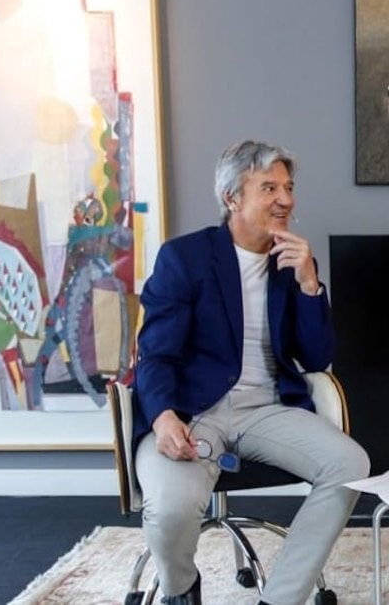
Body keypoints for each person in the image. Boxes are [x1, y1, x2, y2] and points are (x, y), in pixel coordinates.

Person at [131, 140, 370, 605]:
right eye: (269, 188)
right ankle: (181, 589)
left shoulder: (292, 262)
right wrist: (162, 418)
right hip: (194, 411)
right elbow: (155, 354)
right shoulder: (185, 258)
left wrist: (309, 285)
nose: (285, 199)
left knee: (350, 464)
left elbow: (316, 359)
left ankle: (280, 598)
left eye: (288, 187)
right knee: (170, 509)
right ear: (232, 197)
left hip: (267, 410)